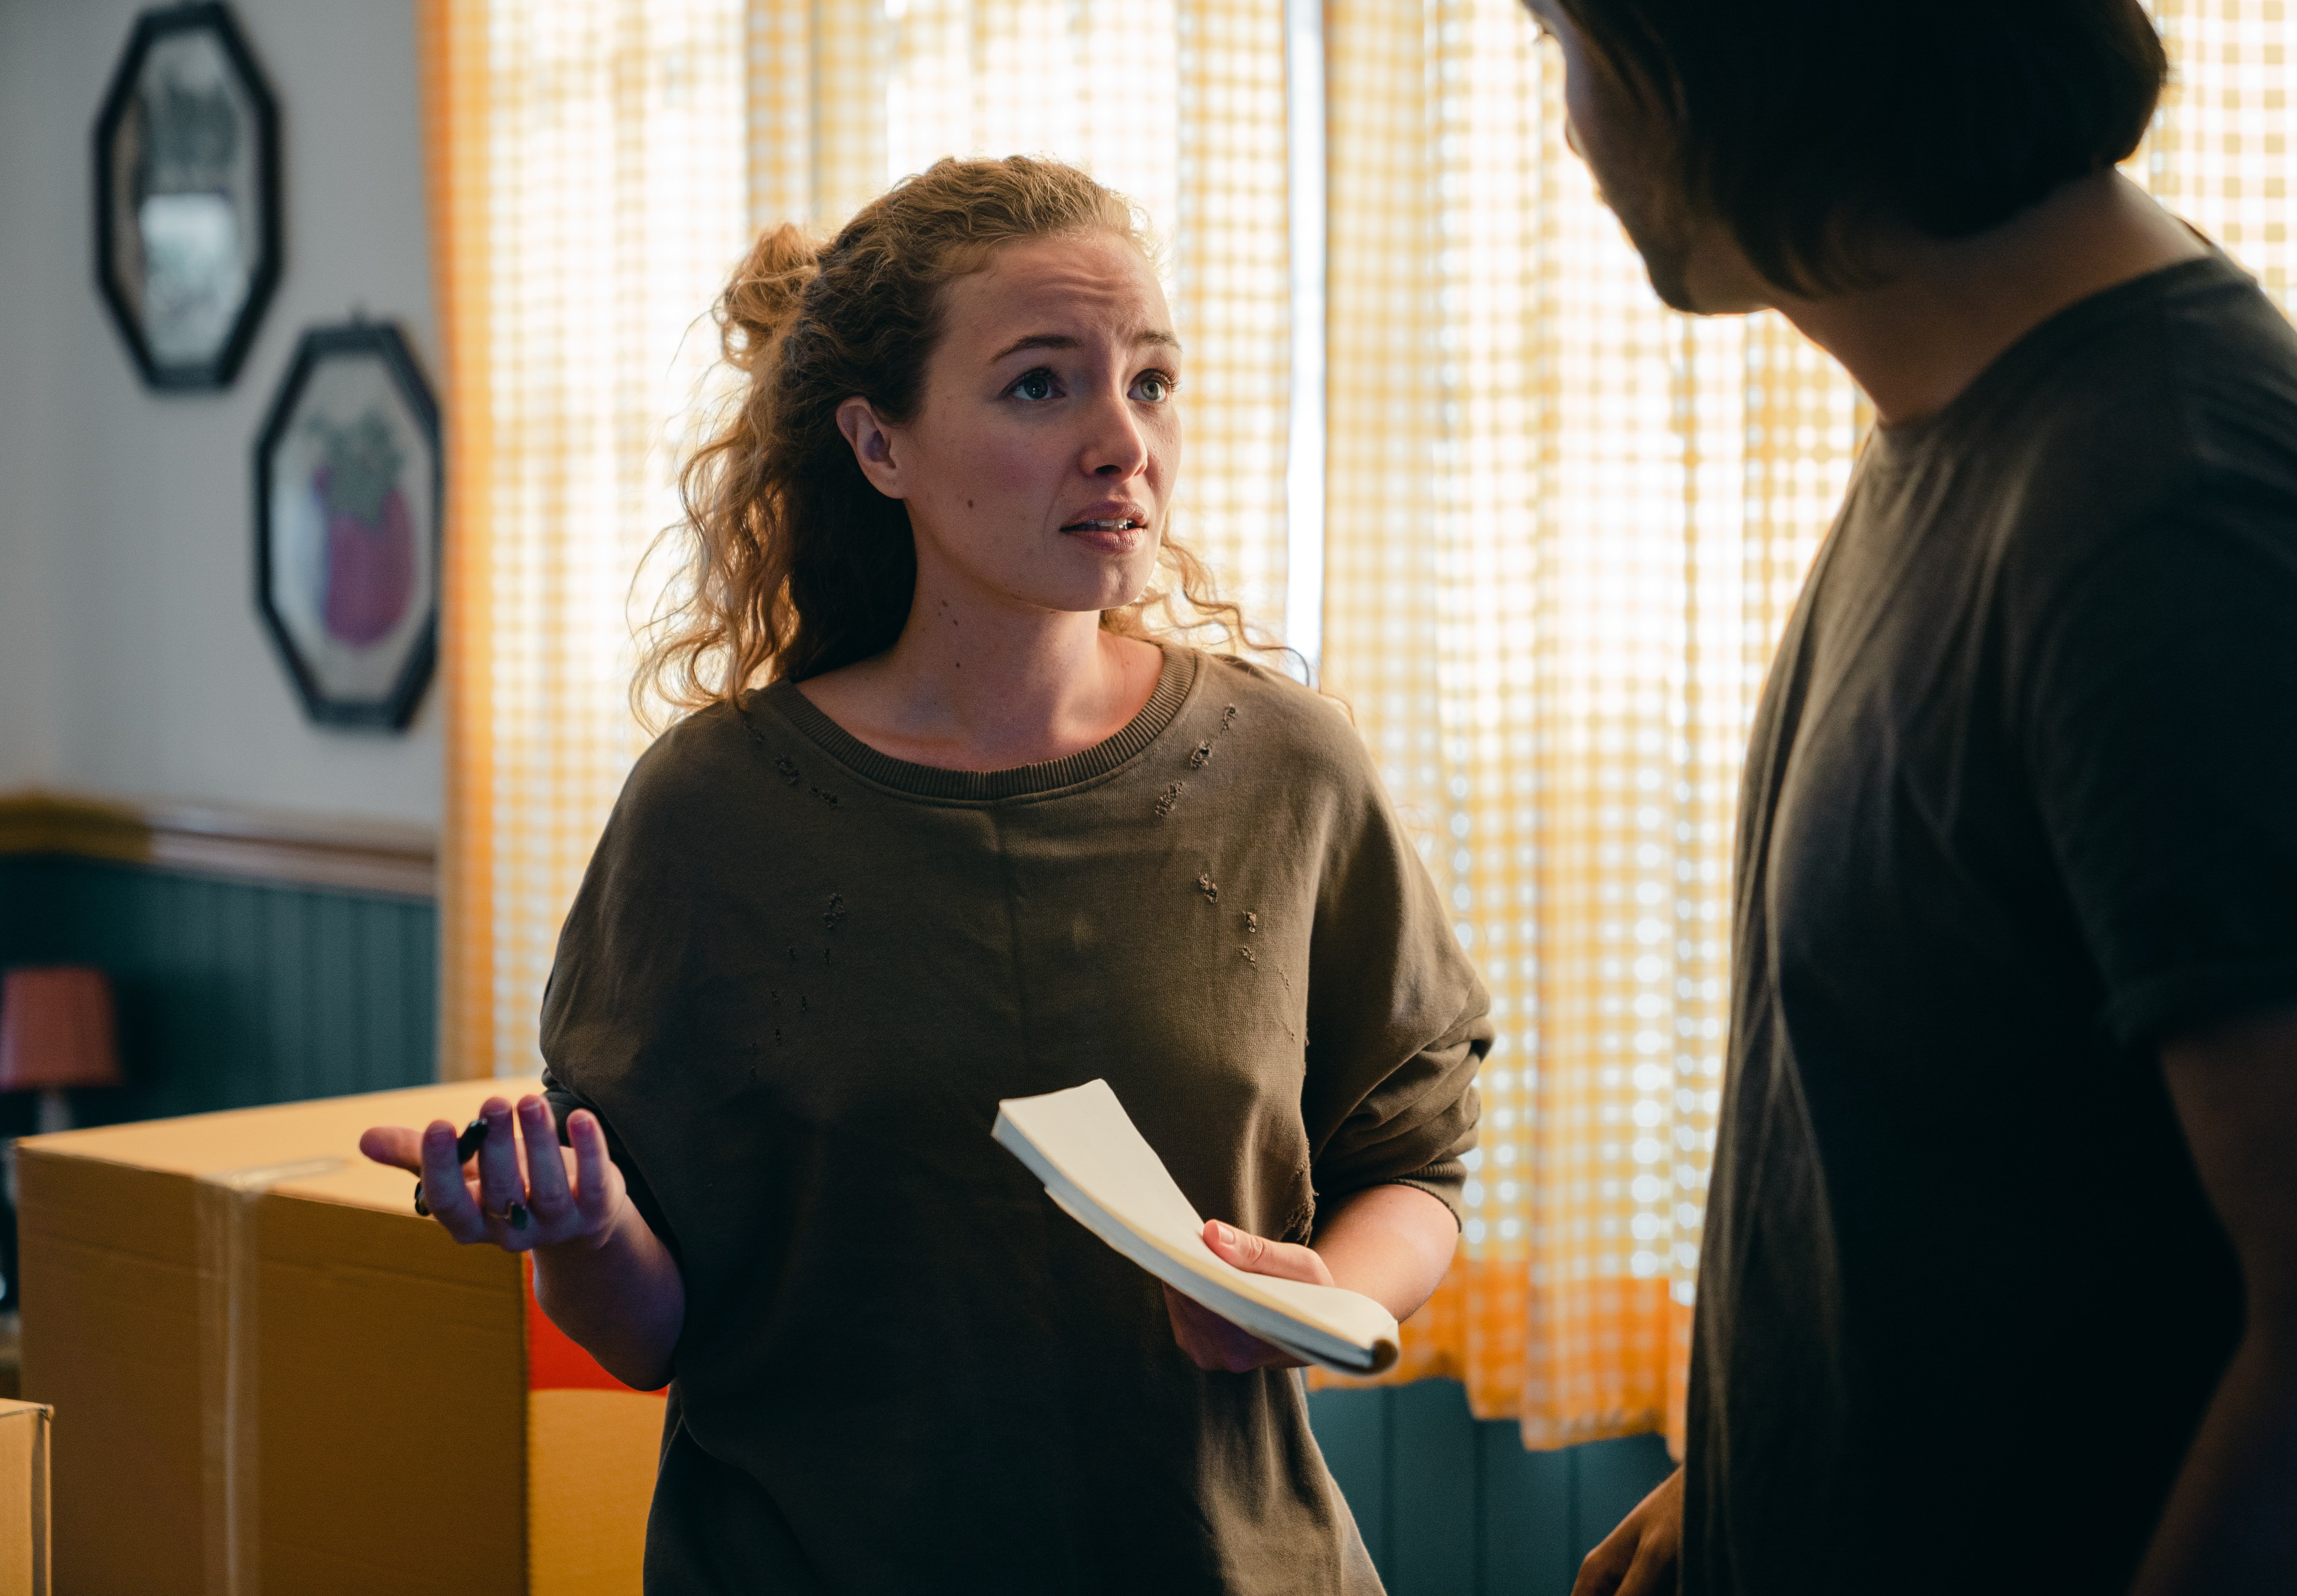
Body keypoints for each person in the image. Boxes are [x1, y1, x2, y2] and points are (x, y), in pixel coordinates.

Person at [361, 156, 1489, 1594]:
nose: (1121, 442)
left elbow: (1414, 1164)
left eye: (1149, 381)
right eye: (1040, 386)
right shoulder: (711, 815)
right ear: (878, 445)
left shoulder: (1291, 769)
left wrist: (1335, 1297)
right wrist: (579, 1229)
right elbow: (650, 1333)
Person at [1514, 3, 2297, 1594]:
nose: (1570, 121)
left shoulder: (2176, 516)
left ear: (1742, 55)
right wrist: (1755, 1483)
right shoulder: (1973, 422)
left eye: (1567, 41)